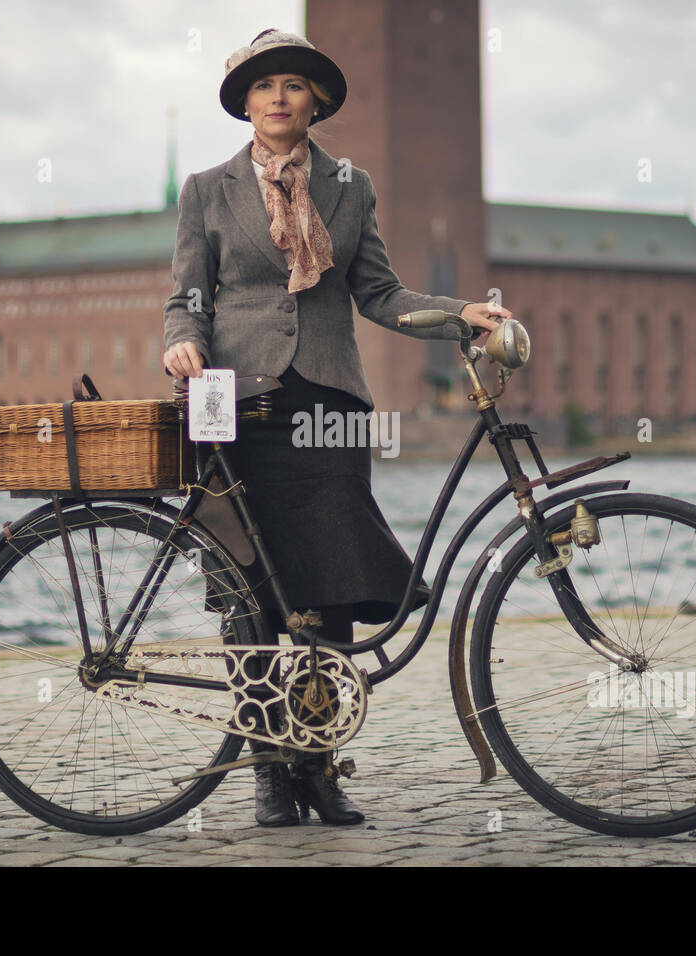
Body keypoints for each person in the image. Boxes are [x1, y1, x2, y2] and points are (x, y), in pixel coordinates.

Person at [162, 28, 512, 827]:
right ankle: (264, 772)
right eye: (264, 86)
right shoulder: (206, 190)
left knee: (329, 589)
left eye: (293, 84)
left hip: (326, 404)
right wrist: (181, 339)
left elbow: (381, 294)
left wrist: (464, 316)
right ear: (244, 103)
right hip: (233, 402)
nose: (279, 97)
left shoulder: (351, 188)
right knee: (247, 593)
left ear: (314, 100)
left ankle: (317, 769)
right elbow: (187, 294)